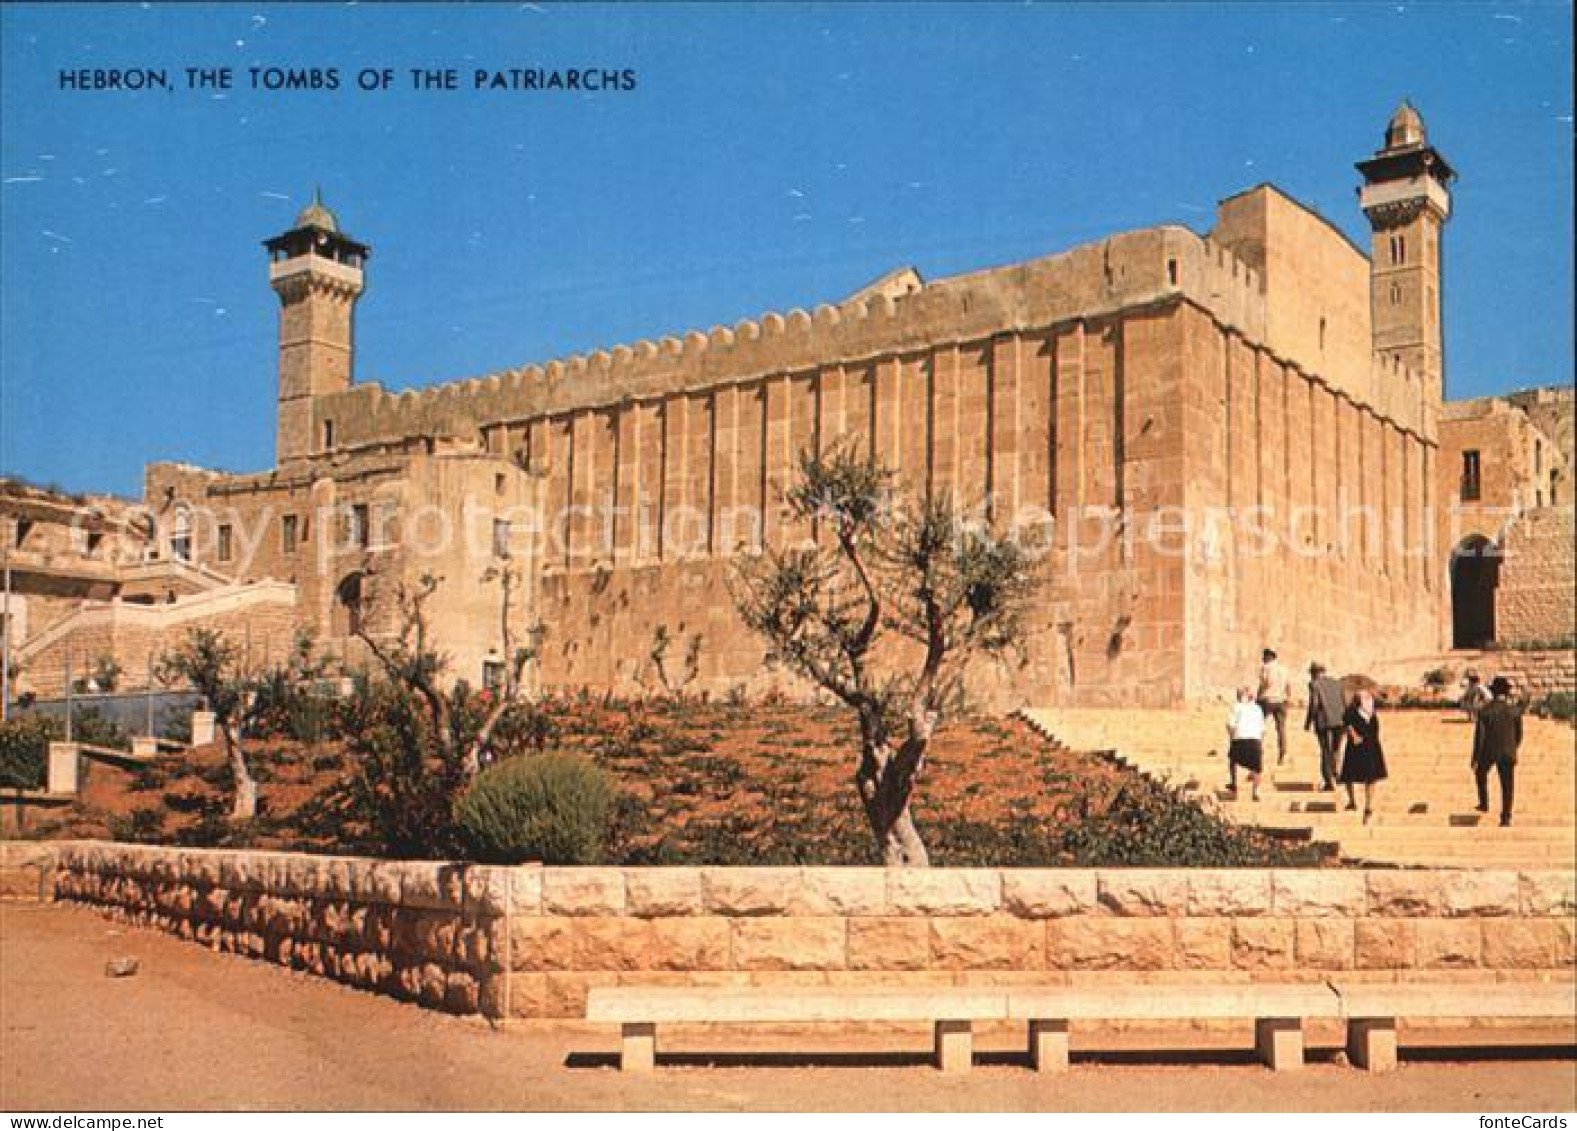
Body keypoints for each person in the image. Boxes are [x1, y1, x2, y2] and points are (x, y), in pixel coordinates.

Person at [1472, 676, 1522, 827]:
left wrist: (1475, 757)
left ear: (1493, 692)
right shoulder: (1515, 711)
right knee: (1507, 785)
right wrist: (1513, 747)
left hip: (1489, 750)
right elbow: (1519, 735)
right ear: (1506, 693)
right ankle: (1506, 818)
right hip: (1508, 751)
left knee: (1480, 772)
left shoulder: (1485, 711)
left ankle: (1484, 803)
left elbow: (1480, 736)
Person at [1339, 688, 1388, 823]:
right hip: (1356, 747)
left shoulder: (1371, 713)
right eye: (1363, 697)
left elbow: (1375, 729)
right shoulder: (1352, 711)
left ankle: (1368, 806)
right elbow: (1348, 725)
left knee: (1371, 777)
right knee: (1348, 775)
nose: (1366, 700)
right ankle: (1352, 801)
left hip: (1371, 747)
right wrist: (1354, 737)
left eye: (1368, 697)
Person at [1303, 662, 1346, 792]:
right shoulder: (1337, 683)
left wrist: (1308, 722)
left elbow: (1314, 704)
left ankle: (1329, 781)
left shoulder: (1314, 684)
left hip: (1324, 721)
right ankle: (1337, 774)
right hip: (1340, 720)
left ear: (1314, 673)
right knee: (1336, 749)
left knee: (1325, 751)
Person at [1225, 686, 1265, 802]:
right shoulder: (1258, 709)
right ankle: (1256, 791)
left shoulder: (1236, 707)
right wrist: (1260, 744)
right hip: (1255, 740)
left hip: (1240, 738)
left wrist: (1232, 739)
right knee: (1257, 768)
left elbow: (1230, 725)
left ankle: (1233, 783)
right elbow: (1262, 729)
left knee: (1233, 760)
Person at [1257, 648, 1292, 765]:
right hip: (1281, 700)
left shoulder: (1266, 668)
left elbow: (1264, 683)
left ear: (1268, 657)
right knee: (1281, 729)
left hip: (1267, 699)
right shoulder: (1284, 669)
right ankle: (1283, 754)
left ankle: (1258, 752)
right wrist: (1288, 698)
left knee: (1259, 727)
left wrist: (1258, 696)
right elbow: (1288, 685)